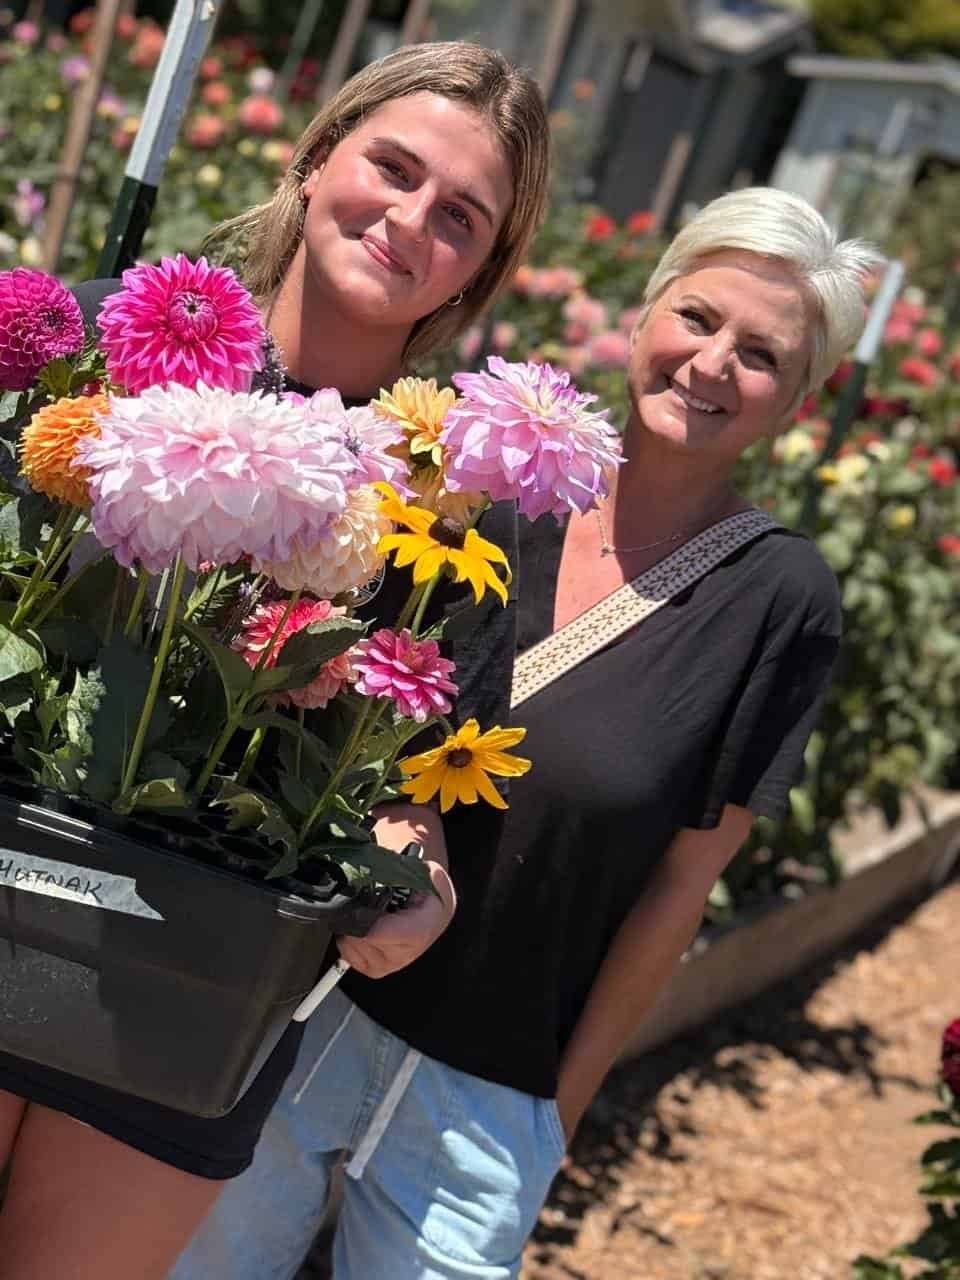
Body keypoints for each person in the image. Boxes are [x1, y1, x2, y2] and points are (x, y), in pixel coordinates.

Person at [169, 186, 883, 1280]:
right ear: (645, 314)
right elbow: (341, 704)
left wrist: (560, 1107)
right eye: (698, 317)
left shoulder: (780, 599)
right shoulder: (492, 482)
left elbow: (682, 885)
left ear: (795, 400)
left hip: (487, 1099)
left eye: (762, 354)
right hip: (310, 1009)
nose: (711, 362)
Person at [0, 41, 550, 1280]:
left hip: (183, 999)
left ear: (480, 272)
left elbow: (410, 788)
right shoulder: (97, 348)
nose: (410, 220)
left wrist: (422, 885)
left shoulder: (449, 509)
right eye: (390, 167)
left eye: (459, 216)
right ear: (315, 162)